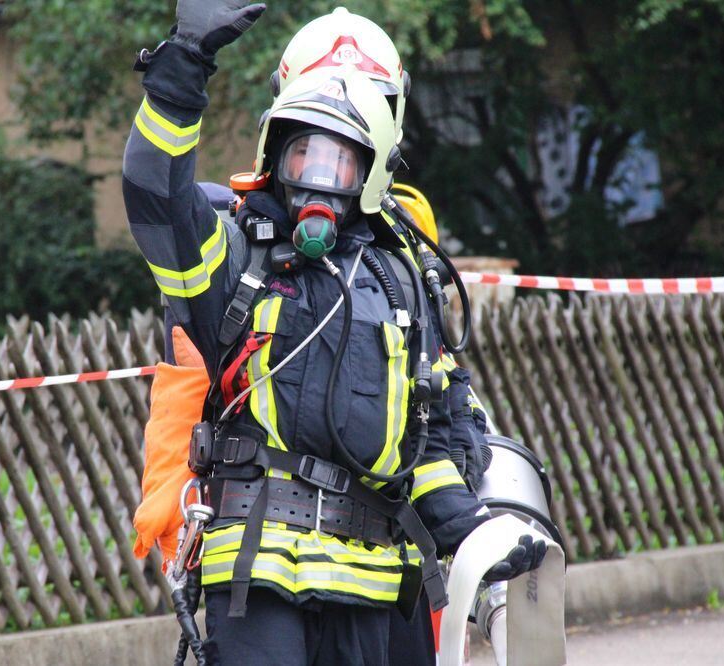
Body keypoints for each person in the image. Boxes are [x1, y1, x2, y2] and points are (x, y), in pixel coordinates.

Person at [123, 2, 546, 663]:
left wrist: (472, 535)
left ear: (375, 164)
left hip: (372, 591)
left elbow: (429, 440)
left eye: (340, 160)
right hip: (253, 582)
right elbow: (153, 195)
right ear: (274, 150)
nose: (319, 175)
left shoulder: (401, 283)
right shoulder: (234, 261)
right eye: (303, 152)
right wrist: (184, 61)